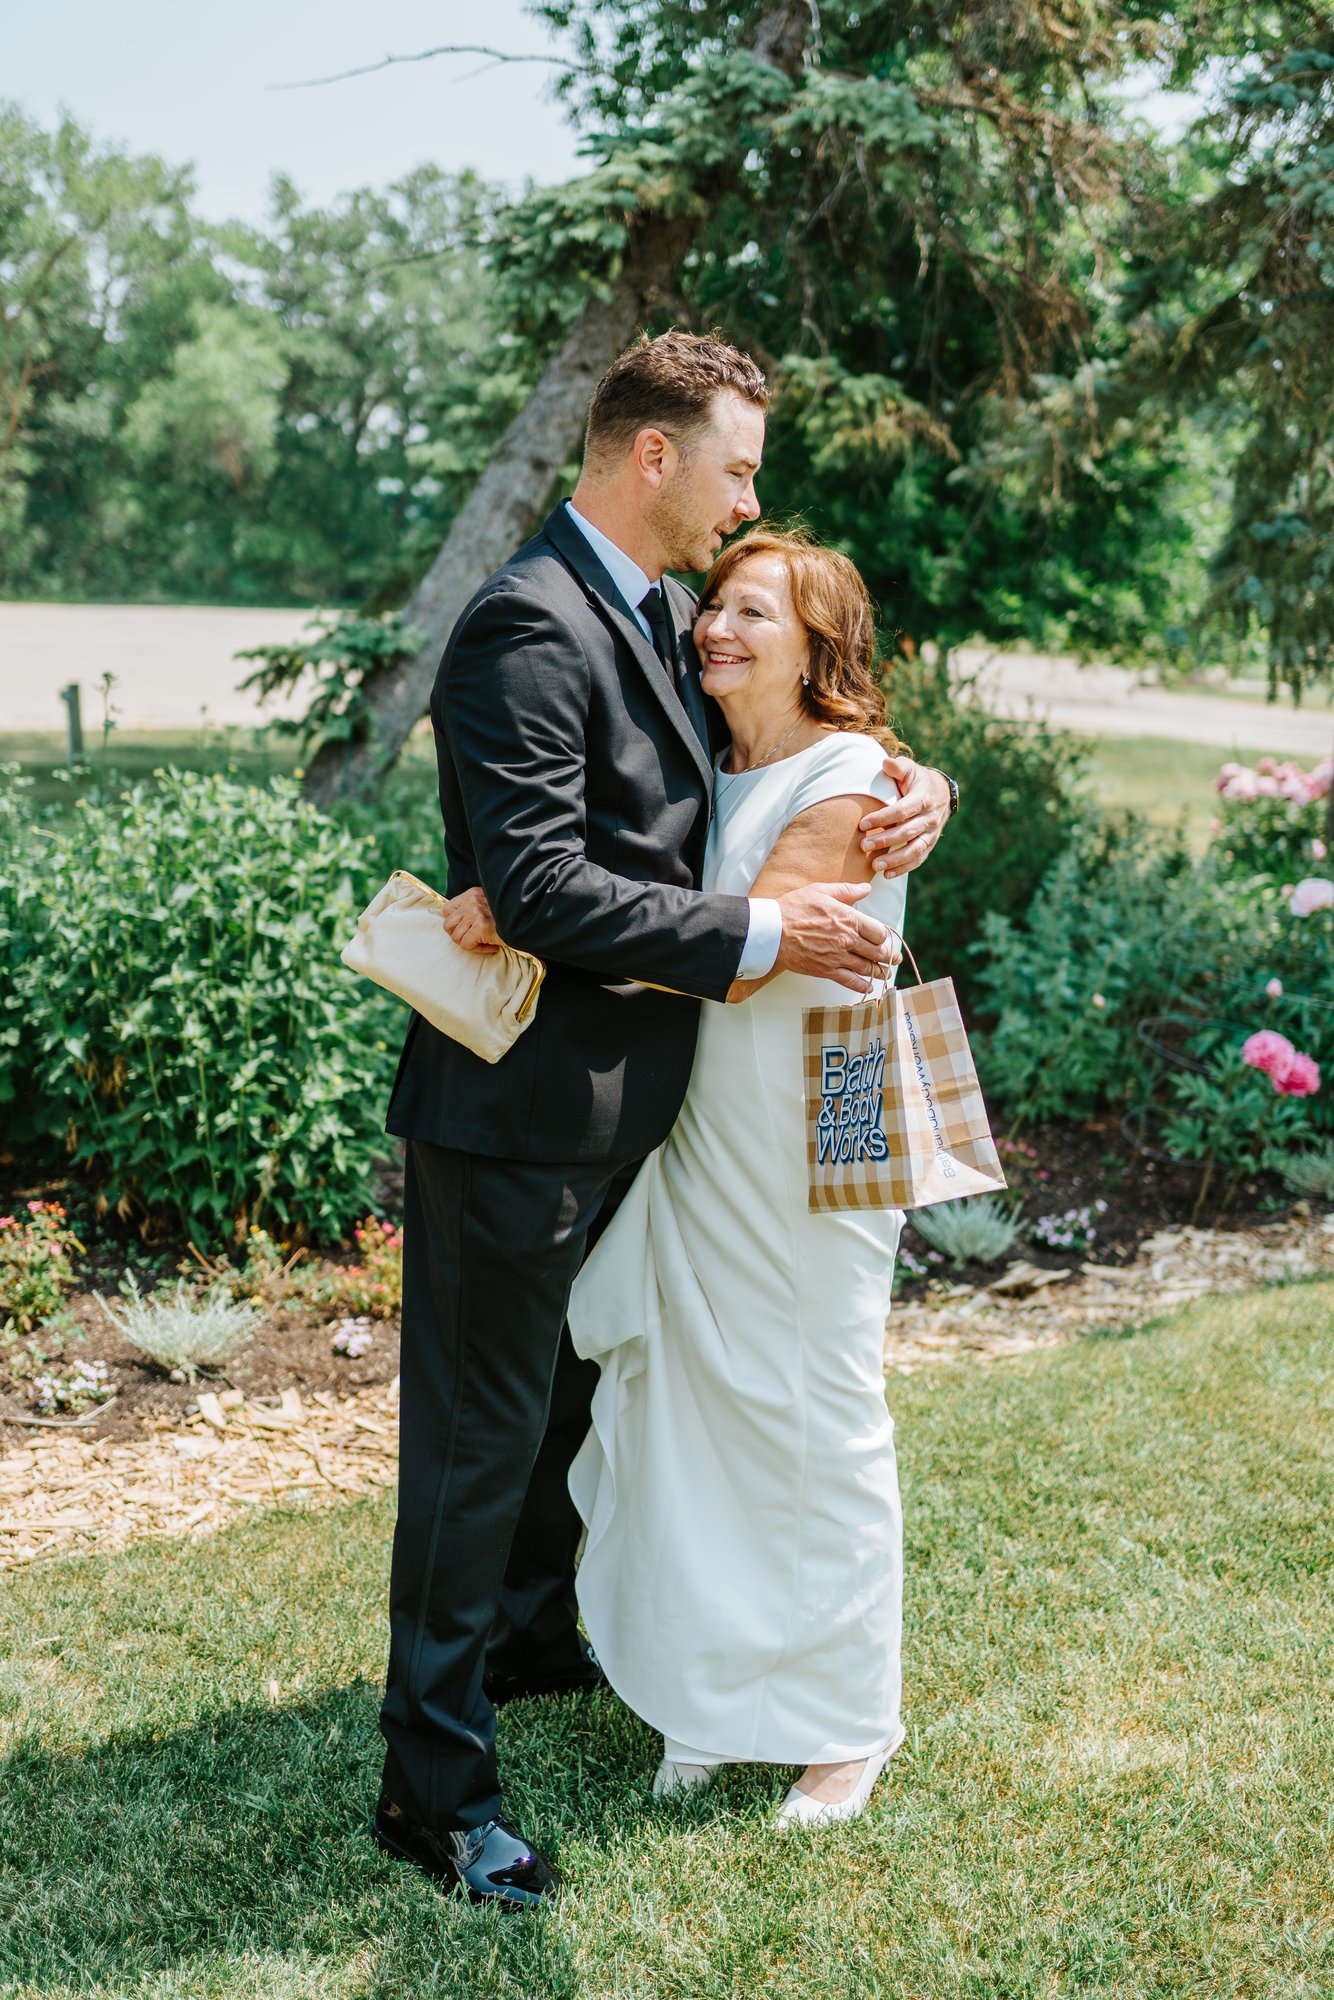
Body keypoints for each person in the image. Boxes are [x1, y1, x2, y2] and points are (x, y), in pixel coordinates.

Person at [374, 331, 956, 1909]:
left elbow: (766, 782)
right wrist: (766, 936)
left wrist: (916, 789)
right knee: (475, 1447)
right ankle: (437, 1793)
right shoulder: (525, 620)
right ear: (653, 455)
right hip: (513, 1120)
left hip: (664, 1122)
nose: (742, 501)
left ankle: (535, 1641)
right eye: (736, 465)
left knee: (577, 1412)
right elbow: (560, 879)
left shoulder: (650, 625)